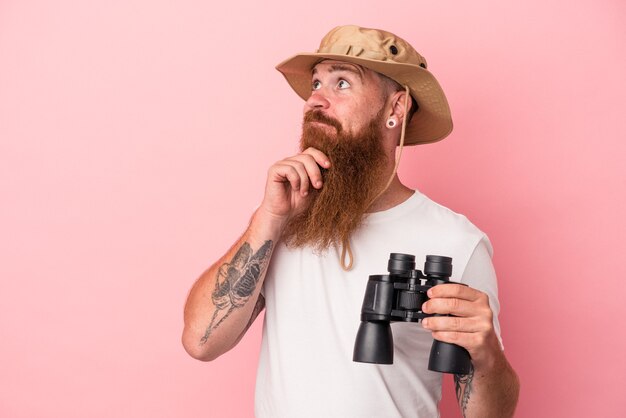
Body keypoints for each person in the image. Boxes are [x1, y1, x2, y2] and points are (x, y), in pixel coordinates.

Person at [182, 25, 520, 417]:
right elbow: (200, 342)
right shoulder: (286, 216)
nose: (315, 100)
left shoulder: (456, 241)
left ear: (396, 108)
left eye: (341, 83)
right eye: (316, 83)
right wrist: (269, 218)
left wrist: (488, 354)